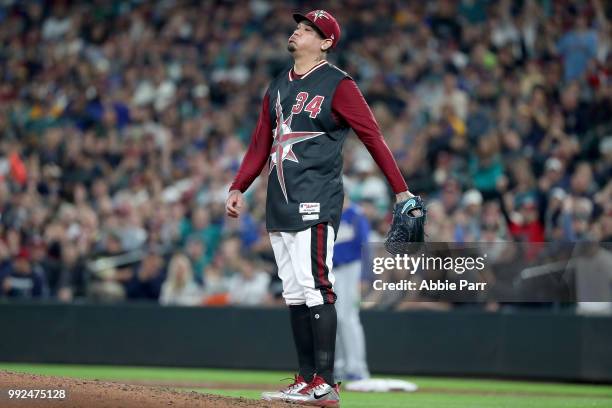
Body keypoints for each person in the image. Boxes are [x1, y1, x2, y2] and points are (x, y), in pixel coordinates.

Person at [225, 9, 415, 407]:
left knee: (316, 287)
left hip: (317, 198)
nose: (298, 31)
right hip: (279, 200)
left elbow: (373, 137)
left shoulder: (338, 85)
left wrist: (401, 192)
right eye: (299, 26)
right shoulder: (277, 85)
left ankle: (326, 384)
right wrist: (239, 184)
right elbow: (261, 141)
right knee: (294, 292)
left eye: (309, 29)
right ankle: (306, 379)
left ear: (326, 42)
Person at [333, 197, 371, 381]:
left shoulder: (355, 214)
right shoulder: (328, 214)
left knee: (349, 317)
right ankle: (339, 366)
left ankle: (357, 367)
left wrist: (364, 276)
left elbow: (366, 245)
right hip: (333, 270)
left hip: (352, 268)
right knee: (334, 318)